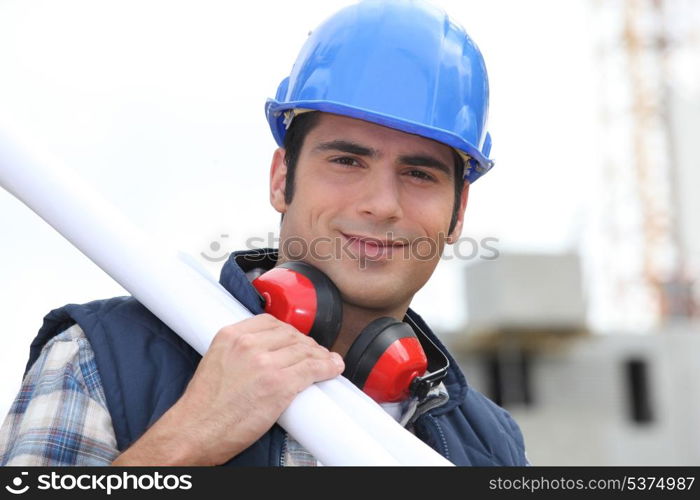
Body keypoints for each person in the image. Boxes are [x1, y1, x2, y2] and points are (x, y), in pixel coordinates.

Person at [0, 0, 528, 466]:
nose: (381, 204)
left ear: (458, 214)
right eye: (347, 160)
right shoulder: (101, 356)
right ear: (282, 179)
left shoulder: (491, 447)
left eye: (418, 174)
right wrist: (185, 443)